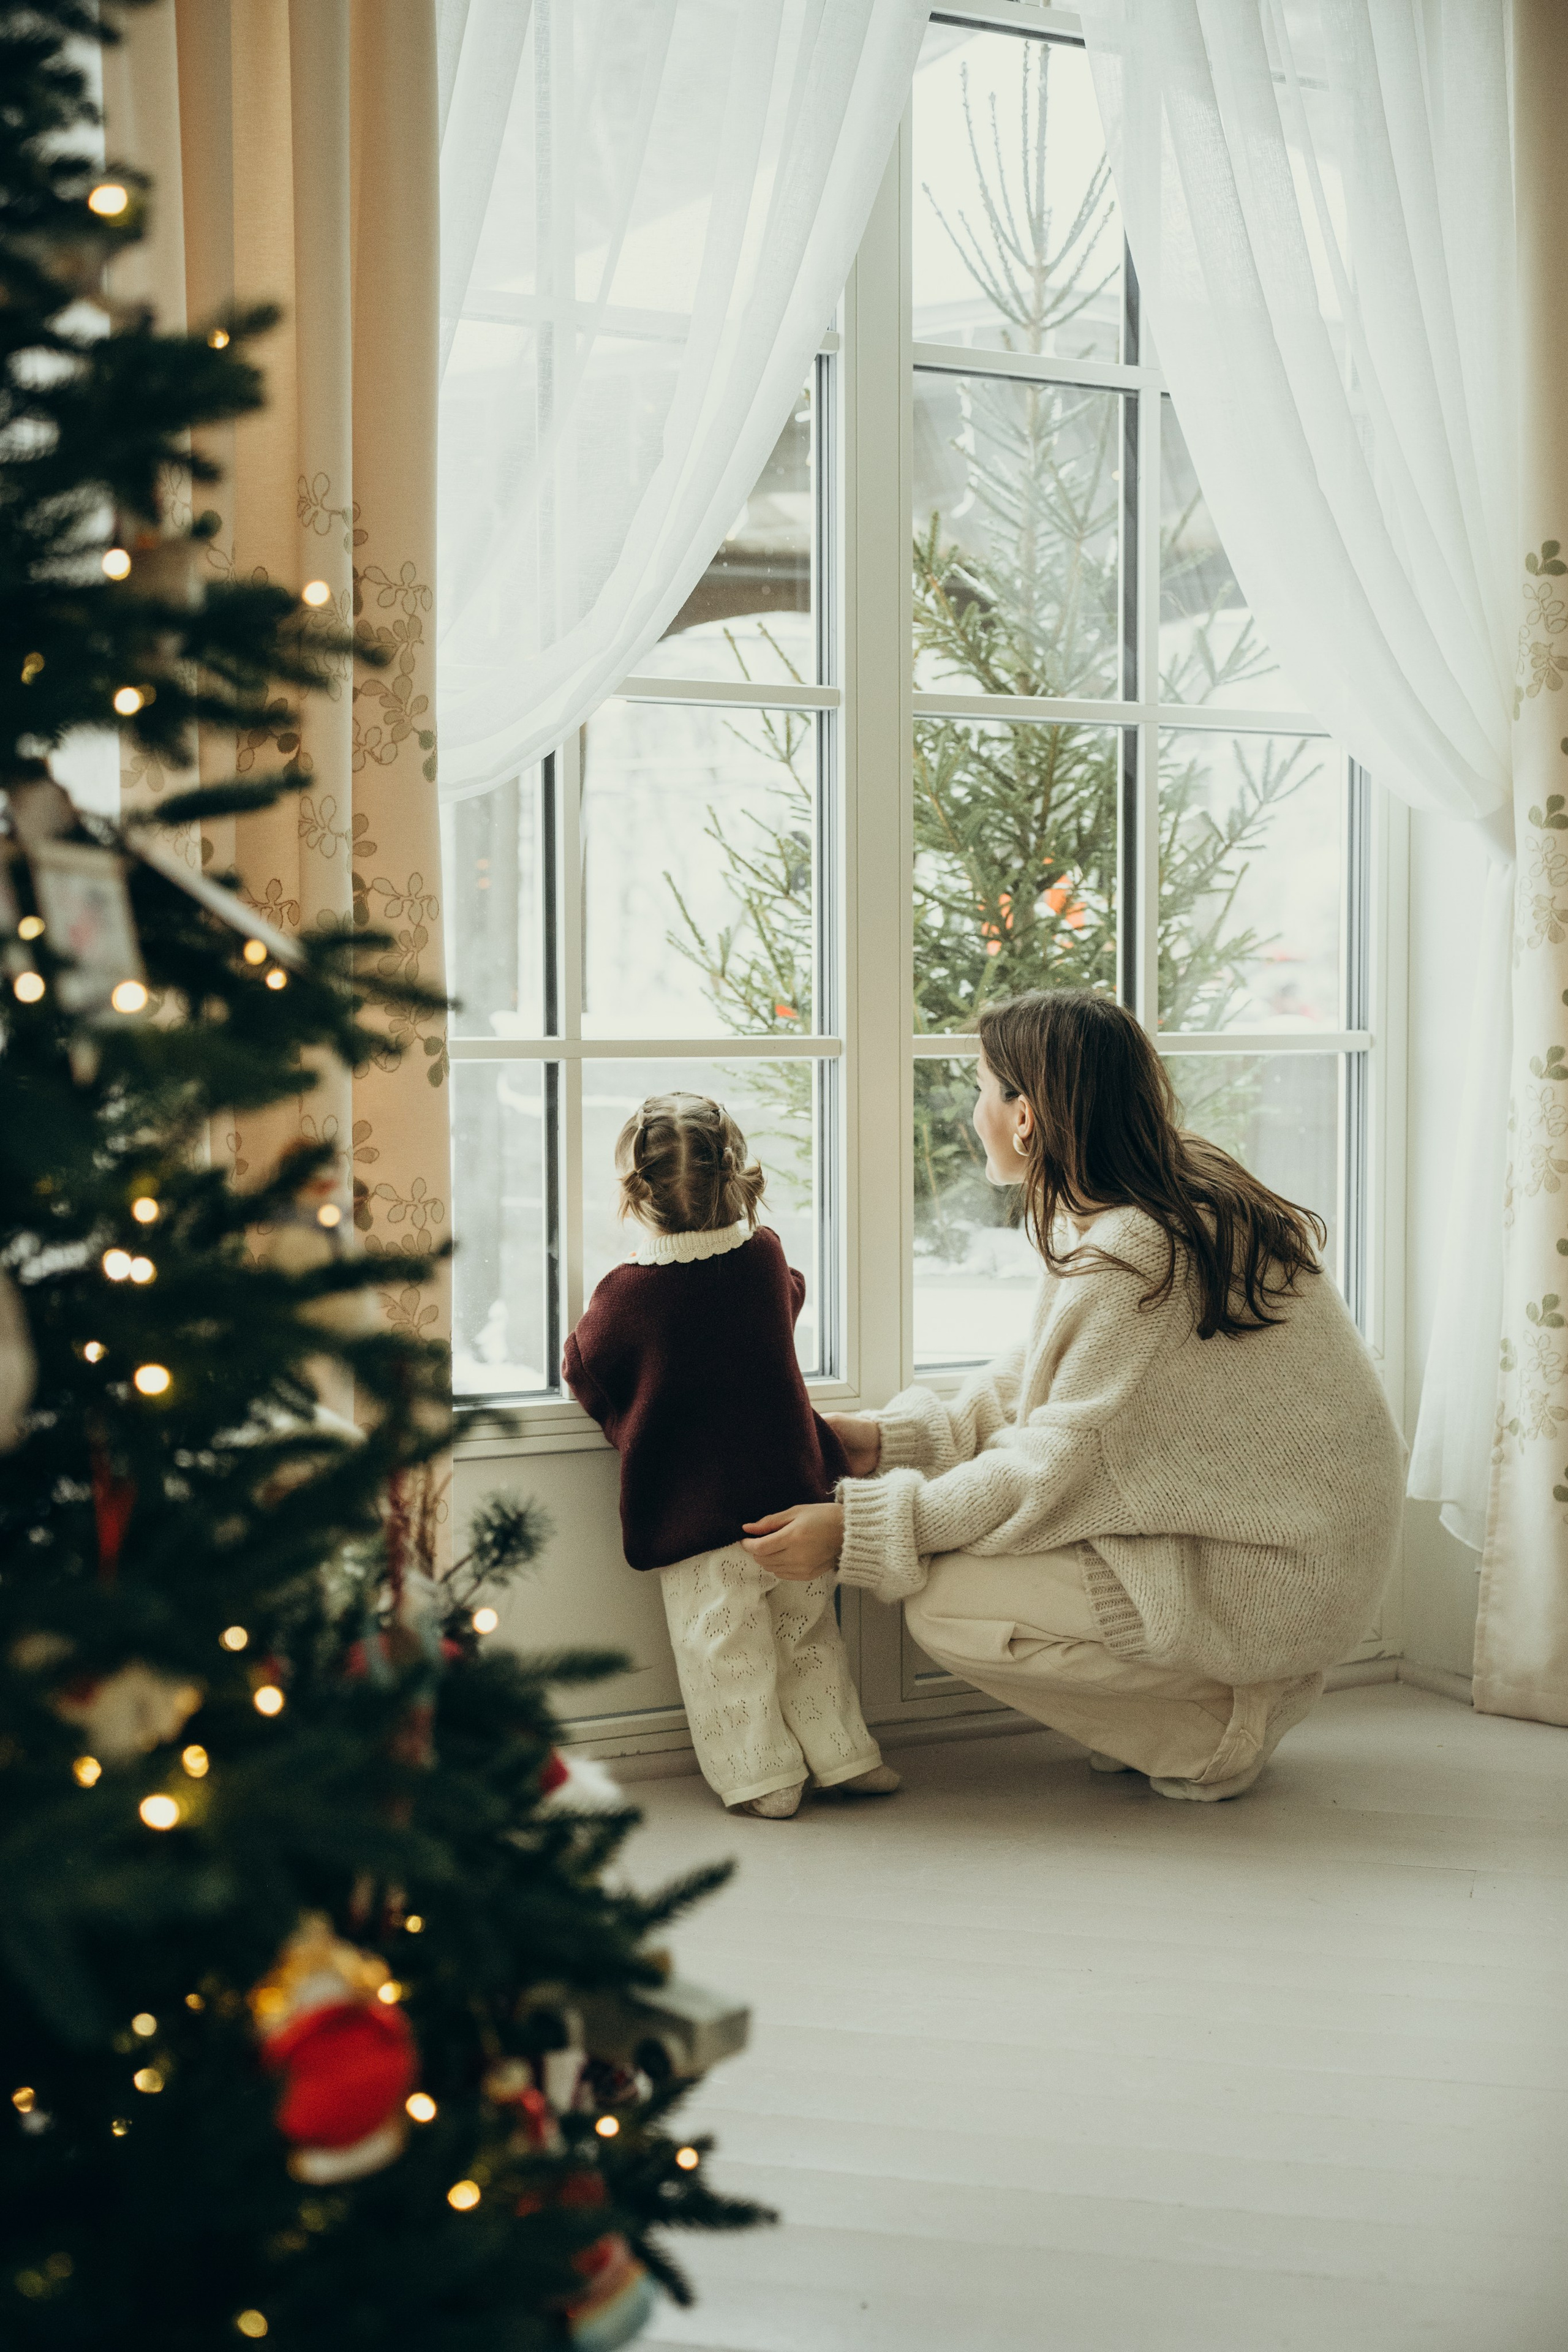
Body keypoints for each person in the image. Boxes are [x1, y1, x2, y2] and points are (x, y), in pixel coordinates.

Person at [741, 991, 1406, 1801]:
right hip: (1298, 1551)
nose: (971, 1115)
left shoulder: (1137, 1258)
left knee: (945, 1602)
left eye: (983, 1090)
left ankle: (1218, 1728)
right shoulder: (1174, 1196)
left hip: (1268, 1578)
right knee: (967, 1554)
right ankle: (1216, 1697)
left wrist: (858, 1530)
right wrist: (887, 1441)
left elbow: (1050, 1463)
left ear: (1026, 1117)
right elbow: (1046, 1381)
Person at [564, 1091, 899, 1819]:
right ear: (736, 1180)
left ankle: (763, 1778)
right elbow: (793, 1295)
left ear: (634, 1195)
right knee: (808, 1637)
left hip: (700, 1519)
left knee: (726, 1653)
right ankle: (844, 1756)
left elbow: (585, 1366)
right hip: (794, 1497)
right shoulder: (764, 1256)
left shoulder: (626, 1296)